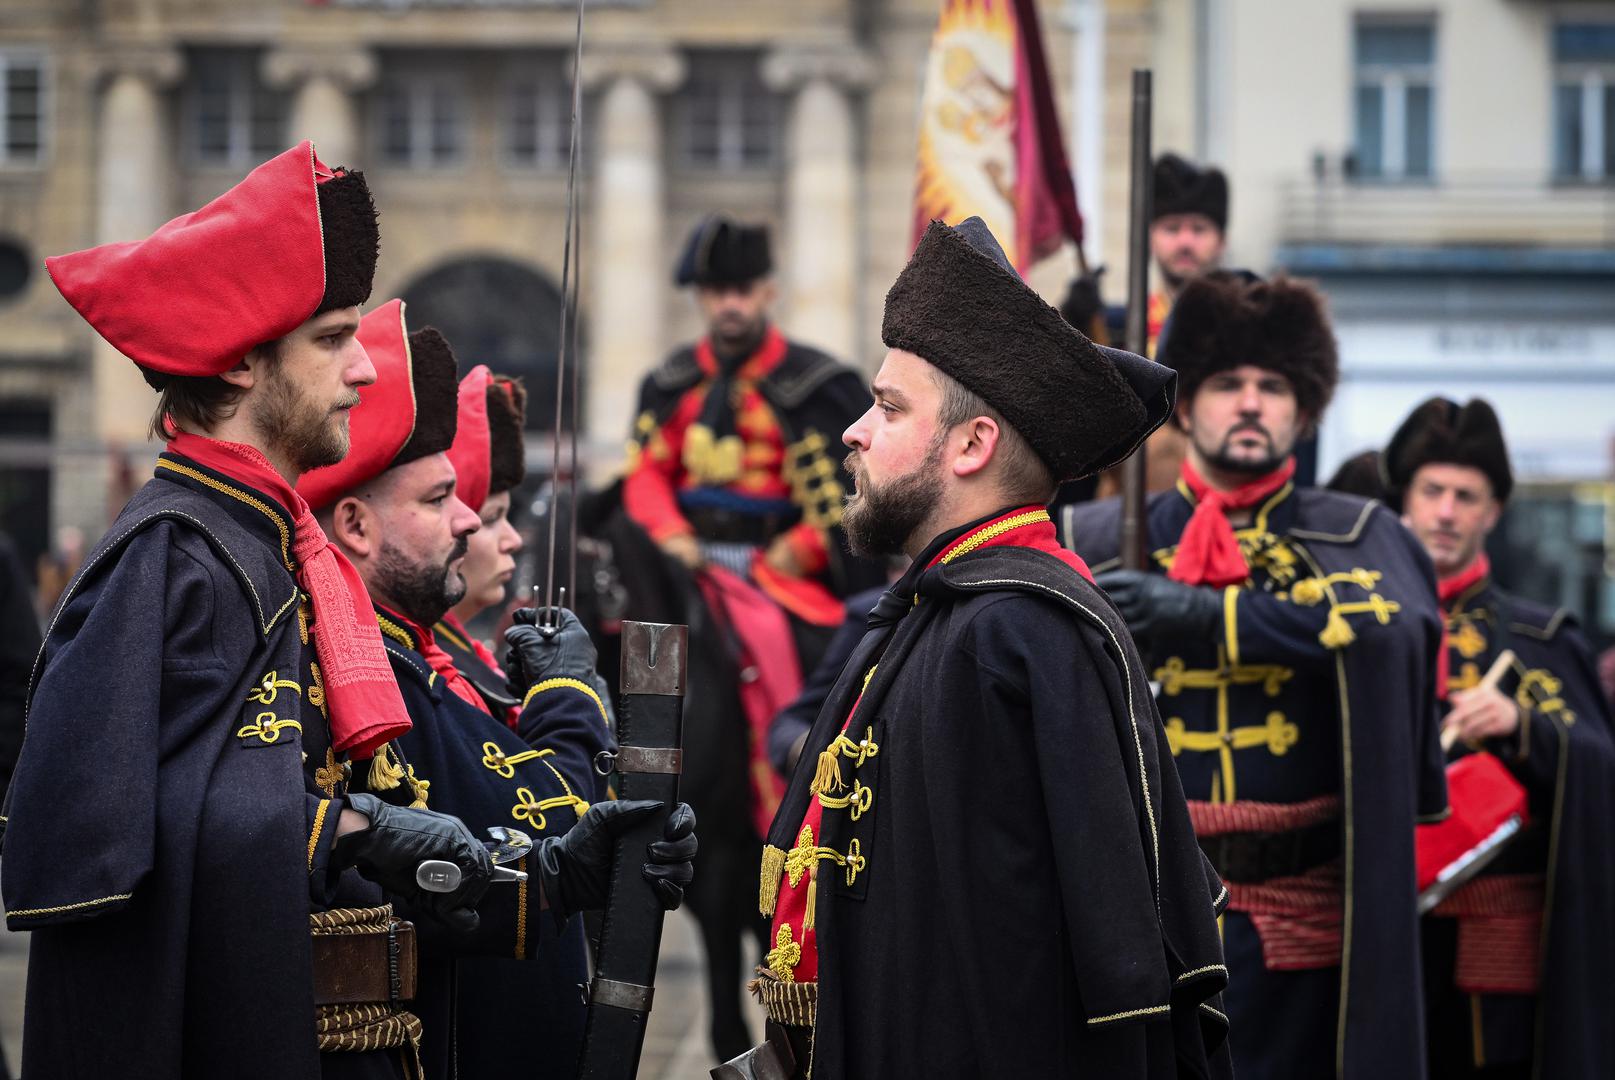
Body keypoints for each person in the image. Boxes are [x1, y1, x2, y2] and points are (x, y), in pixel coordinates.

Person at [2, 142, 493, 1079]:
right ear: (234, 366)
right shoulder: (170, 553)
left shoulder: (271, 539)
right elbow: (78, 831)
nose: (364, 371)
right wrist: (341, 829)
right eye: (331, 340)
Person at [726, 217, 1231, 1079]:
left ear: (972, 444)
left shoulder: (1030, 628)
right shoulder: (934, 605)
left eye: (887, 408)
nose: (852, 431)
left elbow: (1096, 969)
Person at [1061, 270, 1448, 1080]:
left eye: (1271, 387)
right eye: (1225, 384)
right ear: (1185, 404)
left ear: (1303, 409)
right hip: (1146, 920)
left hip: (1305, 932)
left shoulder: (1358, 533)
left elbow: (1397, 631)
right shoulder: (1094, 535)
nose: (1248, 403)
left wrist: (1213, 617)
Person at [299, 301, 696, 1079]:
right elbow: (540, 812)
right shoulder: (365, 668)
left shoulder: (418, 657)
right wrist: (573, 697)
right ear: (353, 524)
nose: (477, 529)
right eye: (440, 502)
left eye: (475, 505)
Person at [1385, 396, 1615, 1079]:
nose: (1447, 512)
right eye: (1432, 492)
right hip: (1381, 934)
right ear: (1404, 498)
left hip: (1501, 953)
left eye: (1466, 495)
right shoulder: (1356, 624)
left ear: (1493, 511)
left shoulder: (1542, 639)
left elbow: (1603, 767)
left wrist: (1524, 729)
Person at [1076, 154, 1229, 500]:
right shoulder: (1115, 328)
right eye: (1172, 229)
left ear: (1222, 241)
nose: (1185, 242)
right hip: (1129, 512)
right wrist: (1073, 325)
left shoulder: (1249, 329)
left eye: (1199, 229)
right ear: (1151, 238)